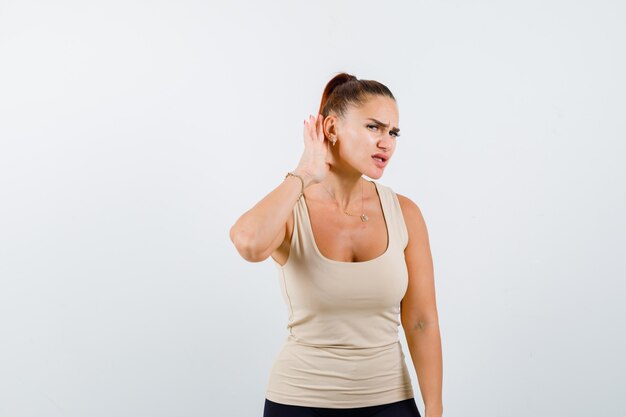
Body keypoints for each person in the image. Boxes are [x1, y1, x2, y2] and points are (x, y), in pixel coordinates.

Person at [230, 72, 443, 417]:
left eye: (393, 132)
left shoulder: (404, 213)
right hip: (298, 401)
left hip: (389, 400)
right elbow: (249, 244)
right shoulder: (292, 209)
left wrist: (435, 409)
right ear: (330, 129)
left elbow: (421, 320)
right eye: (374, 127)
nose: (386, 142)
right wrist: (303, 173)